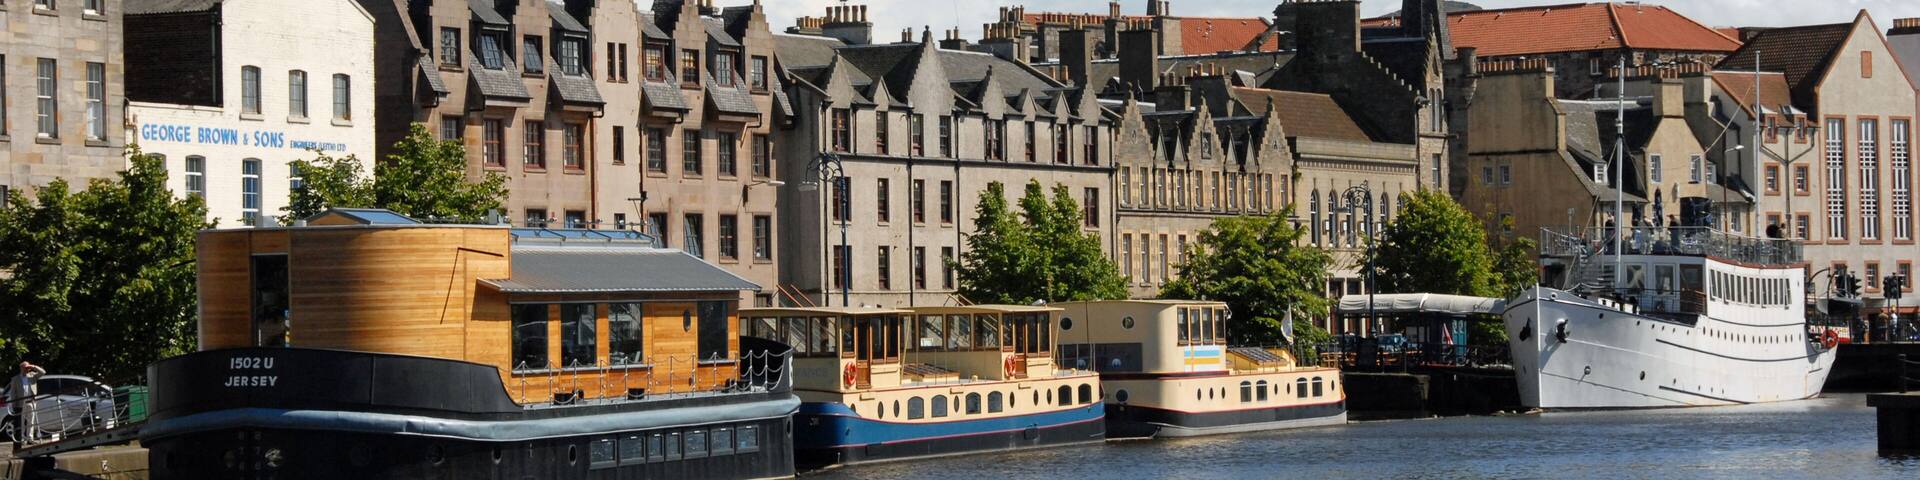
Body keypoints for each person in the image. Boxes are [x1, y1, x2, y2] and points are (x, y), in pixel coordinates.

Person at [9, 361, 45, 441]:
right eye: (24, 368)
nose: (26, 369)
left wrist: (33, 366)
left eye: (27, 368)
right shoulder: (15, 379)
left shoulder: (32, 375)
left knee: (31, 421)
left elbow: (43, 372)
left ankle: (30, 438)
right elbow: (13, 393)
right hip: (21, 402)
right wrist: (13, 404)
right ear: (21, 368)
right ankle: (22, 438)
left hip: (31, 401)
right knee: (21, 422)